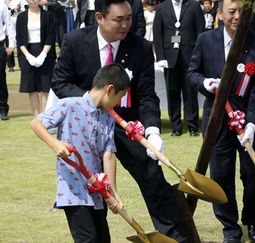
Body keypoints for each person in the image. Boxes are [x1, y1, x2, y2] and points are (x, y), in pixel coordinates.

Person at [50, 0, 189, 242]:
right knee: (93, 190)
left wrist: (153, 131)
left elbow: (147, 95)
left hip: (128, 126)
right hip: (88, 129)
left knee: (154, 179)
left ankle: (176, 238)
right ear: (99, 18)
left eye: (129, 18)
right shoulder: (75, 41)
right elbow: (60, 82)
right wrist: (92, 100)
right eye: (118, 20)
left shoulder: (141, 47)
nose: (126, 25)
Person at [187, 0, 255, 241]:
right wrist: (204, 83)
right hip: (218, 123)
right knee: (221, 176)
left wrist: (253, 124)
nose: (237, 17)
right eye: (231, 12)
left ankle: (253, 221)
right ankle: (230, 228)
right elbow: (192, 72)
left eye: (241, 12)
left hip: (249, 123)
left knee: (253, 175)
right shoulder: (206, 41)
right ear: (220, 14)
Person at [30, 63, 128, 242]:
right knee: (87, 239)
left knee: (103, 239)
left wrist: (112, 193)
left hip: (97, 193)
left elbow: (108, 155)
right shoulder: (68, 105)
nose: (118, 103)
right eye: (120, 97)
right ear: (110, 89)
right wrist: (54, 143)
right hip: (73, 191)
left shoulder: (107, 119)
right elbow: (36, 124)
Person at [153, 0, 205, 136]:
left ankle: (193, 126)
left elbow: (201, 32)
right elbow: (157, 34)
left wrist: (199, 56)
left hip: (190, 56)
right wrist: (160, 57)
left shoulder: (194, 6)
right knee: (172, 93)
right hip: (169, 57)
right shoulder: (162, 8)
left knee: (191, 93)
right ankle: (176, 127)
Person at [16, 0, 56, 116]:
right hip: (27, 52)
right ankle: (37, 116)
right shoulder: (21, 17)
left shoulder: (48, 16)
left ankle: (45, 116)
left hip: (45, 51)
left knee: (45, 87)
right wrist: (28, 56)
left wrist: (43, 54)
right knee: (31, 86)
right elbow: (19, 39)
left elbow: (50, 37)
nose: (33, 1)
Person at [0, 0, 16, 121]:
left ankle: (3, 108)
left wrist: (11, 44)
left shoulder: (1, 5)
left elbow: (9, 24)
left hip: (0, 44)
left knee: (1, 78)